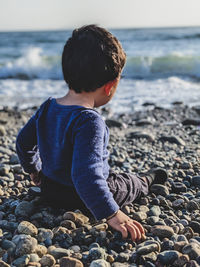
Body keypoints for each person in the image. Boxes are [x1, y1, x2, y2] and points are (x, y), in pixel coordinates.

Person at [16, 25, 167, 242]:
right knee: (125, 182)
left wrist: (33, 170)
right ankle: (146, 180)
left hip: (50, 190)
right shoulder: (89, 120)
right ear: (110, 86)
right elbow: (86, 176)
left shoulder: (48, 107)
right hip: (82, 198)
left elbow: (23, 142)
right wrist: (112, 213)